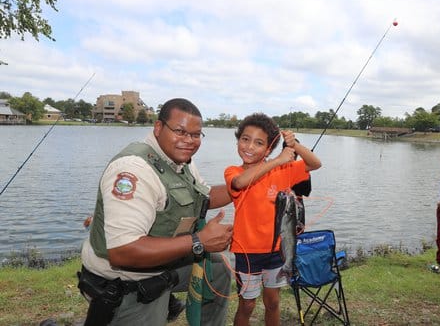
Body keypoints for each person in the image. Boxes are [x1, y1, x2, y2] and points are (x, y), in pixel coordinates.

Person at [78, 98, 233, 326]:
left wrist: (243, 186)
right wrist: (198, 241)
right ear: (158, 128)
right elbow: (123, 252)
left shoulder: (180, 159)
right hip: (123, 279)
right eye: (180, 131)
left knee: (218, 268)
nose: (189, 141)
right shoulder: (134, 170)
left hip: (161, 264)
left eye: (196, 134)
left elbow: (205, 197)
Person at [224, 113, 321, 326]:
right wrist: (277, 159)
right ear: (238, 139)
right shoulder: (234, 171)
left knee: (273, 301)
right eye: (245, 139)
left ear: (269, 147)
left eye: (259, 143)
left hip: (277, 251)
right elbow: (240, 183)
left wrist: (295, 145)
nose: (249, 147)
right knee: (247, 304)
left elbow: (315, 164)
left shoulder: (284, 170)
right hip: (247, 252)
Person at [282, 139, 312, 230]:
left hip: (294, 210)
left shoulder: (273, 165)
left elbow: (306, 192)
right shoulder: (275, 166)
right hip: (287, 210)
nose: (294, 153)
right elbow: (306, 192)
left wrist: (305, 171)